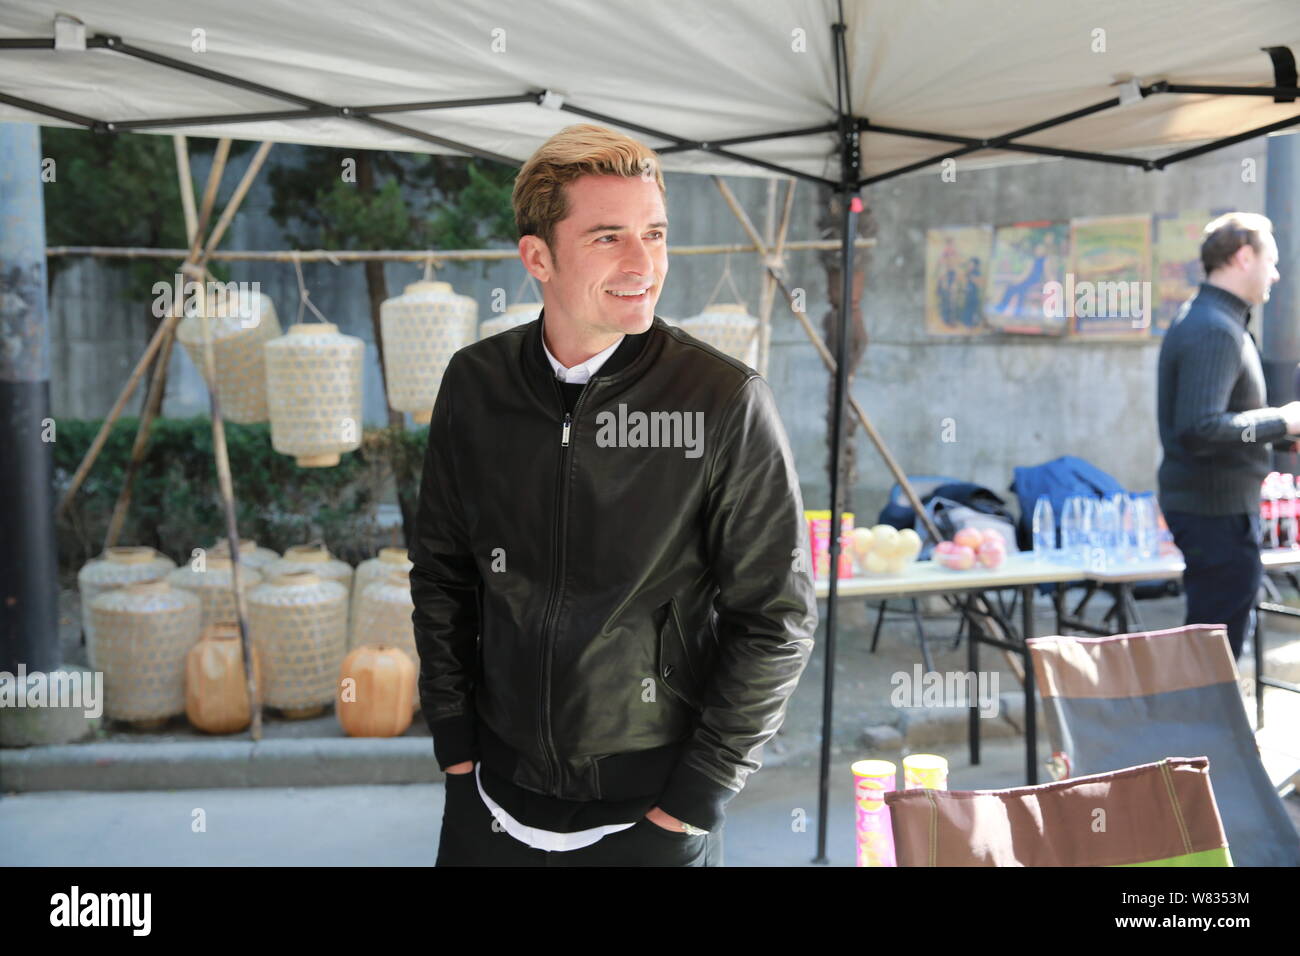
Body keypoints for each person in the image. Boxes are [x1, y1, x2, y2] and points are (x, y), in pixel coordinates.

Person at [410, 123, 818, 866]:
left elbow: (776, 618)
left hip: (650, 813)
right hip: (491, 800)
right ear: (537, 256)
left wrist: (690, 804)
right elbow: (442, 574)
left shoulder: (721, 399)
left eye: (655, 234)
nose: (643, 263)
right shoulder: (475, 384)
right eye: (608, 238)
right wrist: (457, 753)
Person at [1156, 211, 1300, 660]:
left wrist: (1282, 437)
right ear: (1243, 257)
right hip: (1214, 512)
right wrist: (1284, 422)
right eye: (1270, 260)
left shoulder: (1217, 320)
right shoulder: (1213, 329)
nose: (1275, 273)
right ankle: (1199, 729)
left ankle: (1207, 726)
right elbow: (1200, 430)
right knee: (1212, 647)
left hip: (1218, 507)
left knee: (1218, 641)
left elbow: (1225, 423)